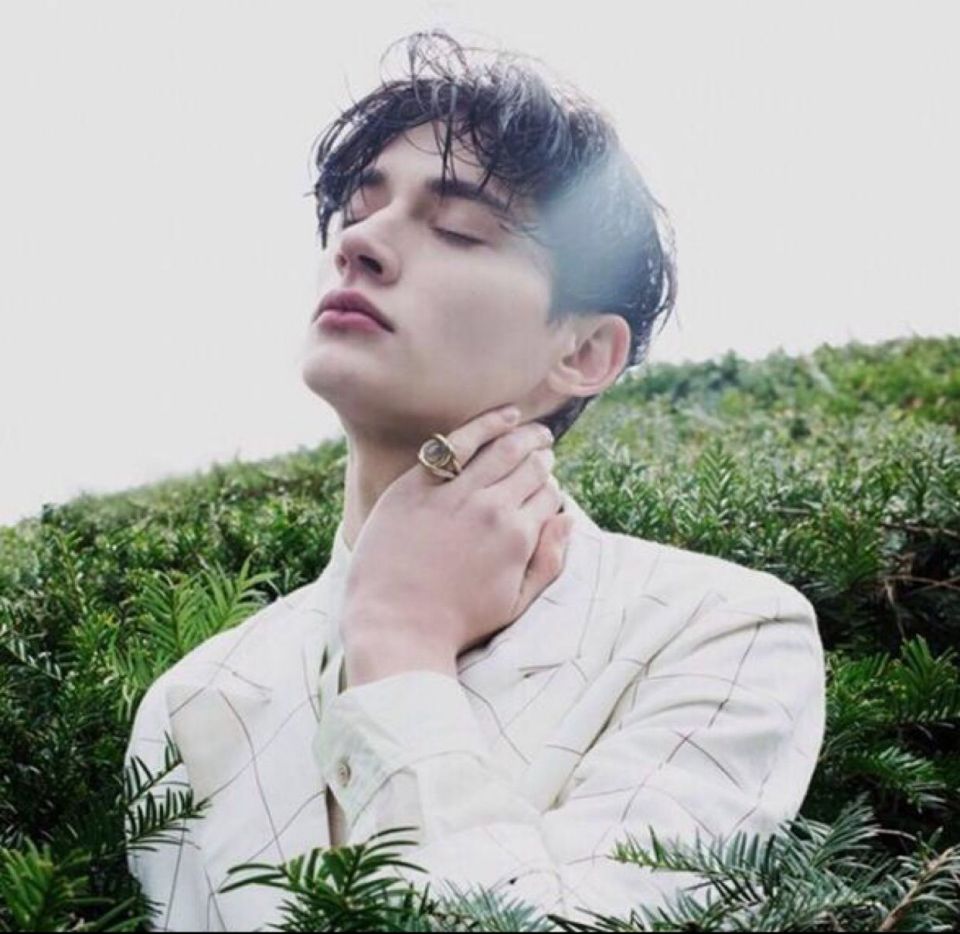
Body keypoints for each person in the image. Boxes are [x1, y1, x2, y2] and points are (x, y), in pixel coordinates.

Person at [123, 29, 826, 932]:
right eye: (357, 209)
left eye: (458, 228)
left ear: (583, 351)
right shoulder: (194, 701)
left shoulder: (721, 632)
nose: (360, 243)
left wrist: (401, 644)